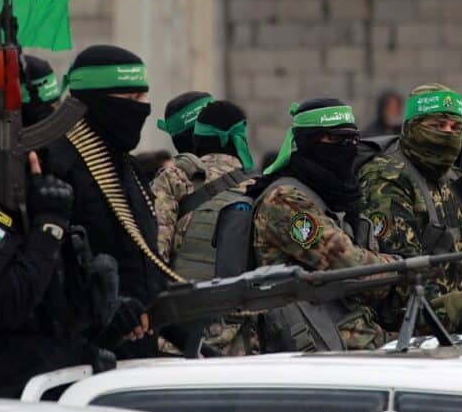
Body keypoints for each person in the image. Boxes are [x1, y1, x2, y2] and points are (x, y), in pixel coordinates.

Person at [0, 55, 131, 397]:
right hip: (5, 387)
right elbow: (8, 304)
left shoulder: (36, 182)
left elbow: (49, 301)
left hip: (47, 375)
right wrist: (49, 226)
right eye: (49, 116)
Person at [357, 84, 462, 331]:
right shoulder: (387, 178)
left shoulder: (449, 178)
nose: (447, 134)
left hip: (451, 320)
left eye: (455, 128)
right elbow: (405, 280)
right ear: (411, 128)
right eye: (436, 126)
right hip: (414, 328)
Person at [44, 45, 162, 358]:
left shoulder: (126, 166)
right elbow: (54, 269)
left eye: (144, 97)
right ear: (97, 103)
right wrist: (110, 306)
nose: (143, 109)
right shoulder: (58, 164)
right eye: (132, 100)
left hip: (138, 344)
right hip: (85, 352)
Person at [252, 97, 394, 351]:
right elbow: (349, 265)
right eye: (334, 139)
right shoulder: (286, 200)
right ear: (308, 141)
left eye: (352, 140)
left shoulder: (335, 197)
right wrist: (401, 266)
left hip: (346, 334)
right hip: (311, 348)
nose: (347, 147)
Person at [152, 100, 256, 355]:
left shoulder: (175, 177)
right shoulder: (257, 186)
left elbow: (154, 255)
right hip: (241, 344)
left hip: (180, 340)